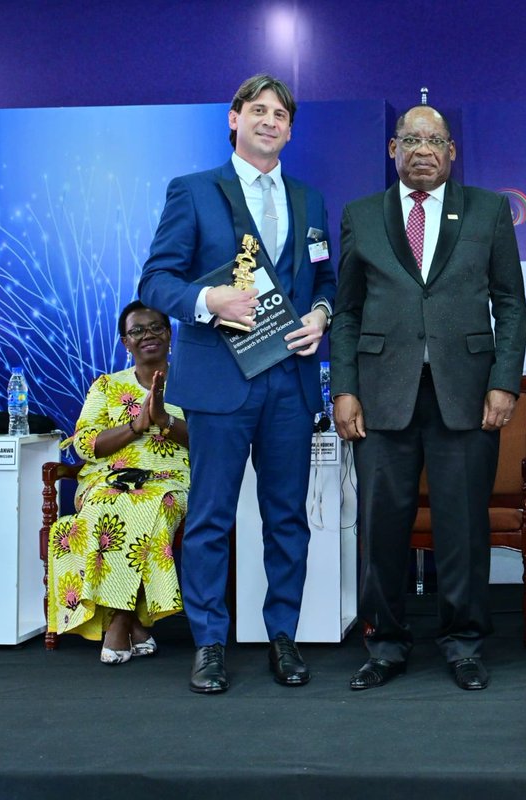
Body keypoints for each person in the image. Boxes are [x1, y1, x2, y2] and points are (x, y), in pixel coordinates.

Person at [139, 74, 336, 693]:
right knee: (210, 517)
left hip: (291, 384)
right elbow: (155, 281)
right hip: (222, 384)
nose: (270, 121)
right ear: (233, 118)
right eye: (258, 110)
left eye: (281, 114)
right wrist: (207, 299)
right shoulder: (193, 191)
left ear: (290, 128)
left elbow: (325, 281)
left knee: (287, 520)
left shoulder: (309, 199)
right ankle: (210, 644)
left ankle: (283, 637)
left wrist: (321, 316)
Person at [331, 105, 526, 691]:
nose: (422, 149)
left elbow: (510, 304)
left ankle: (463, 643)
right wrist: (344, 388)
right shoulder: (361, 215)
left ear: (451, 152)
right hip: (381, 395)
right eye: (411, 139)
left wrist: (502, 380)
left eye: (434, 140)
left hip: (466, 394)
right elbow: (346, 311)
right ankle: (385, 643)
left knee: (462, 526)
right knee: (380, 527)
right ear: (393, 149)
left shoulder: (488, 211)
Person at [47, 301, 188, 664]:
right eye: (137, 331)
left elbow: (213, 439)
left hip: (170, 481)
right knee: (110, 505)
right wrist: (135, 427)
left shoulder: (192, 382)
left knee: (147, 506)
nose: (148, 336)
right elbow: (83, 443)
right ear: (125, 342)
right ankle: (132, 623)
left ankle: (119, 620)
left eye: (156, 327)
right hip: (109, 481)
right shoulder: (107, 386)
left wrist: (162, 420)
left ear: (170, 334)